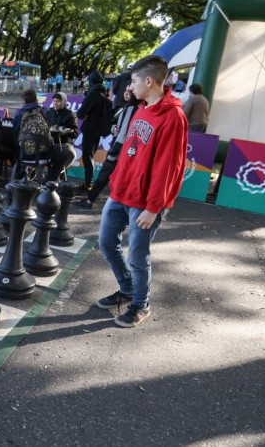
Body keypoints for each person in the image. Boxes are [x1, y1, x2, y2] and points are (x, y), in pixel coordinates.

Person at [95, 55, 187, 328]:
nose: (130, 85)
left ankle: (140, 303)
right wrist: (116, 184)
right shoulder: (142, 108)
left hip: (145, 202)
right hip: (121, 193)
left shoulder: (173, 117)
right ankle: (127, 289)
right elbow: (130, 150)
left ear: (149, 81)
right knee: (106, 242)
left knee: (137, 255)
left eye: (134, 80)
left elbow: (169, 167)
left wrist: (154, 206)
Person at [75, 88, 141, 209]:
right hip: (125, 149)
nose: (125, 93)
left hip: (119, 149)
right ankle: (92, 198)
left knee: (104, 175)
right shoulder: (128, 108)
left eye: (129, 91)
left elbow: (124, 132)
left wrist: (115, 149)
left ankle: (90, 200)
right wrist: (114, 128)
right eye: (125, 90)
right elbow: (118, 127)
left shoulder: (131, 108)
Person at [76, 70, 111, 191]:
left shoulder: (93, 93)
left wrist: (85, 115)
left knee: (87, 156)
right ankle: (89, 182)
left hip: (90, 129)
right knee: (90, 155)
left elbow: (80, 113)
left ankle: (88, 183)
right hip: (98, 130)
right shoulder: (103, 92)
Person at [44, 92, 78, 181]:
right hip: (49, 143)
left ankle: (53, 175)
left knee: (71, 154)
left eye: (58, 101)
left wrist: (64, 131)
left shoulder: (70, 114)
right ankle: (51, 176)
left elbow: (75, 133)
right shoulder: (48, 112)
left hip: (63, 143)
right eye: (54, 100)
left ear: (63, 102)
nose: (55, 103)